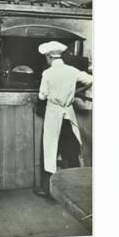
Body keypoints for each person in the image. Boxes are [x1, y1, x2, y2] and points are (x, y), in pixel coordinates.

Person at [36, 40, 93, 198]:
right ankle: (75, 190)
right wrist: (75, 91)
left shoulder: (47, 73)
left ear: (49, 57)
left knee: (50, 151)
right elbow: (91, 80)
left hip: (54, 115)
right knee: (71, 152)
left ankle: (48, 191)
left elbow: (42, 95)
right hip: (68, 116)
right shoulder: (72, 70)